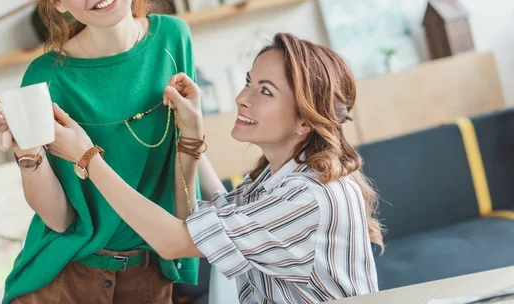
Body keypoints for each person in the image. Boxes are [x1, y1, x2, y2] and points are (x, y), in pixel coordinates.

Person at [0, 0, 222, 304]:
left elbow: (183, 152)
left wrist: (232, 205)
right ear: (57, 1)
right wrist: (25, 151)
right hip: (64, 279)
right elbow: (59, 219)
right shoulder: (48, 78)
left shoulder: (173, 38)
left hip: (148, 276)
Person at [48, 32, 384, 303]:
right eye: (250, 82)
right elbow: (202, 219)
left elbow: (174, 240)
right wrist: (191, 136)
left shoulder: (308, 198)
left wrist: (88, 158)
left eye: (265, 91)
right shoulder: (280, 179)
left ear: (305, 121)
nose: (242, 97)